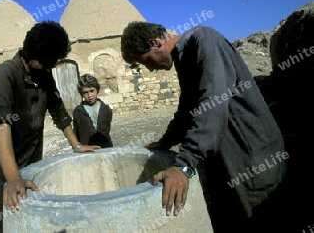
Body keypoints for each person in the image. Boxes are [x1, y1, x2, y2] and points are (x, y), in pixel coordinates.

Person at [120, 22, 287, 232]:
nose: (151, 69)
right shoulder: (184, 56)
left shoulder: (205, 41)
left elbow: (213, 104)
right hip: (229, 158)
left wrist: (184, 165)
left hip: (251, 154)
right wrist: (166, 141)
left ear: (155, 42)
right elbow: (188, 109)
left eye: (147, 61)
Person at [0, 20, 100, 233]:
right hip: (3, 162)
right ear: (30, 54)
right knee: (2, 218)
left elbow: (59, 113)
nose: (50, 68)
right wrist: (12, 177)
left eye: (53, 63)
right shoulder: (6, 73)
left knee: (30, 213)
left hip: (32, 155)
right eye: (47, 62)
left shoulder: (45, 76)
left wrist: (76, 145)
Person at [72, 73, 113, 148]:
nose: (89, 95)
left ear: (97, 90)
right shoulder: (78, 111)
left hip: (105, 148)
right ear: (81, 94)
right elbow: (76, 134)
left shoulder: (106, 109)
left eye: (92, 91)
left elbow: (106, 131)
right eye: (85, 92)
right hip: (86, 150)